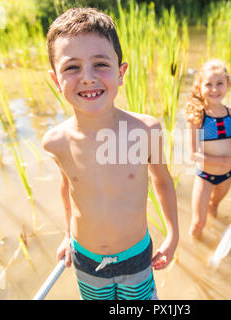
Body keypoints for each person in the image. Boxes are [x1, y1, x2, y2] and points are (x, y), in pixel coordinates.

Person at [42, 7, 178, 300]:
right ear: (55, 80)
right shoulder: (55, 141)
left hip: (136, 257)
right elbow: (68, 186)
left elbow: (163, 181)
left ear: (121, 73)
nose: (88, 78)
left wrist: (173, 233)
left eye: (100, 64)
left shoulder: (145, 130)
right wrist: (67, 235)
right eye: (71, 67)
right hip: (87, 260)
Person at [185, 59, 231, 239]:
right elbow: (193, 155)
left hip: (227, 176)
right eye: (209, 84)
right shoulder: (197, 117)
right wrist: (227, 161)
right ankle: (196, 247)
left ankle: (214, 236)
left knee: (213, 207)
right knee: (198, 223)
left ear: (228, 84)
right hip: (205, 177)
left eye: (219, 83)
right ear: (200, 86)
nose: (214, 89)